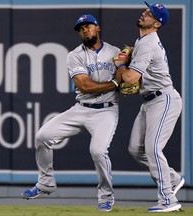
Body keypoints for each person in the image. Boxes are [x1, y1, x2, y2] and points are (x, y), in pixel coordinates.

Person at [20, 14, 120, 212]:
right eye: (80, 28)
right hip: (81, 108)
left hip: (106, 111)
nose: (84, 29)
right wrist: (115, 83)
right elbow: (84, 85)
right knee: (43, 136)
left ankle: (106, 196)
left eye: (88, 26)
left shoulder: (115, 52)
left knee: (98, 151)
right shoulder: (74, 55)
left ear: (97, 28)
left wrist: (124, 75)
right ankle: (46, 182)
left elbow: (126, 75)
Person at [114, 1, 184, 212]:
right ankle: (171, 178)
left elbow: (130, 77)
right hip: (150, 102)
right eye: (146, 10)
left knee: (153, 148)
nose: (145, 13)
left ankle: (168, 199)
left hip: (164, 100)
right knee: (136, 149)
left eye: (151, 13)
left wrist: (120, 65)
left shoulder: (147, 44)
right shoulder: (143, 41)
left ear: (157, 24)